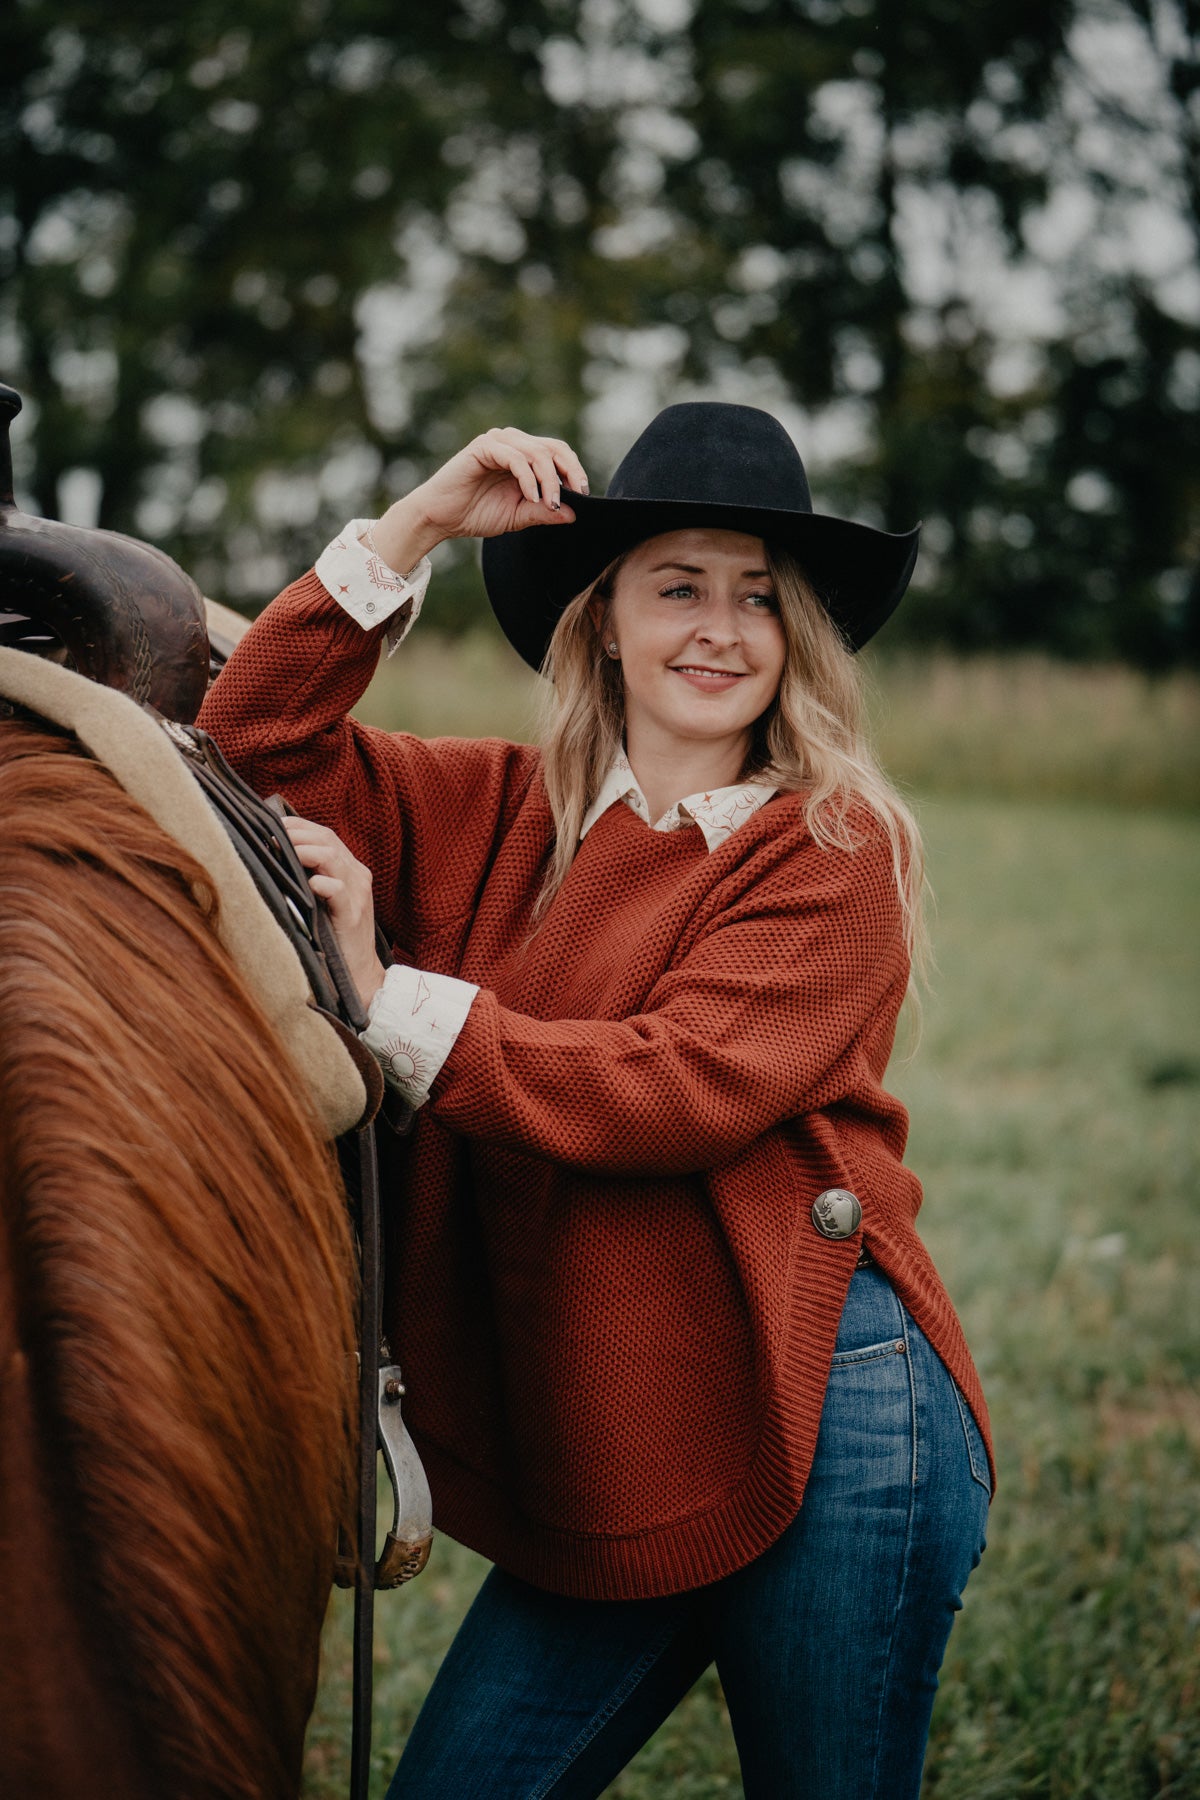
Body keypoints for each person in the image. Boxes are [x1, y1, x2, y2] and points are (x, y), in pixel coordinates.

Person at [199, 402, 993, 1799]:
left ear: (797, 639)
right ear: (602, 619)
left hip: (841, 1410)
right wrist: (418, 524)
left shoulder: (830, 848)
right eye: (677, 585)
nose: (720, 628)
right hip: (619, 1430)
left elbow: (669, 1092)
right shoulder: (493, 812)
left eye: (761, 598)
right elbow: (248, 743)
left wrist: (384, 998)